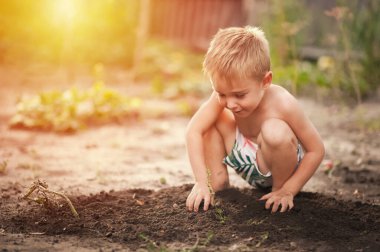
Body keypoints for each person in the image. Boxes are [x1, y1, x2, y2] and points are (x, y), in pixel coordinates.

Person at [185, 26, 325, 213]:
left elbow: (316, 150)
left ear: (265, 81)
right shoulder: (227, 97)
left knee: (274, 130)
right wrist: (201, 182)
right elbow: (193, 130)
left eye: (240, 95)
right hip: (244, 159)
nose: (231, 103)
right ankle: (216, 185)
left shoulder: (283, 103)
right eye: (221, 93)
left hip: (277, 165)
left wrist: (289, 190)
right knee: (209, 121)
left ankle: (277, 193)